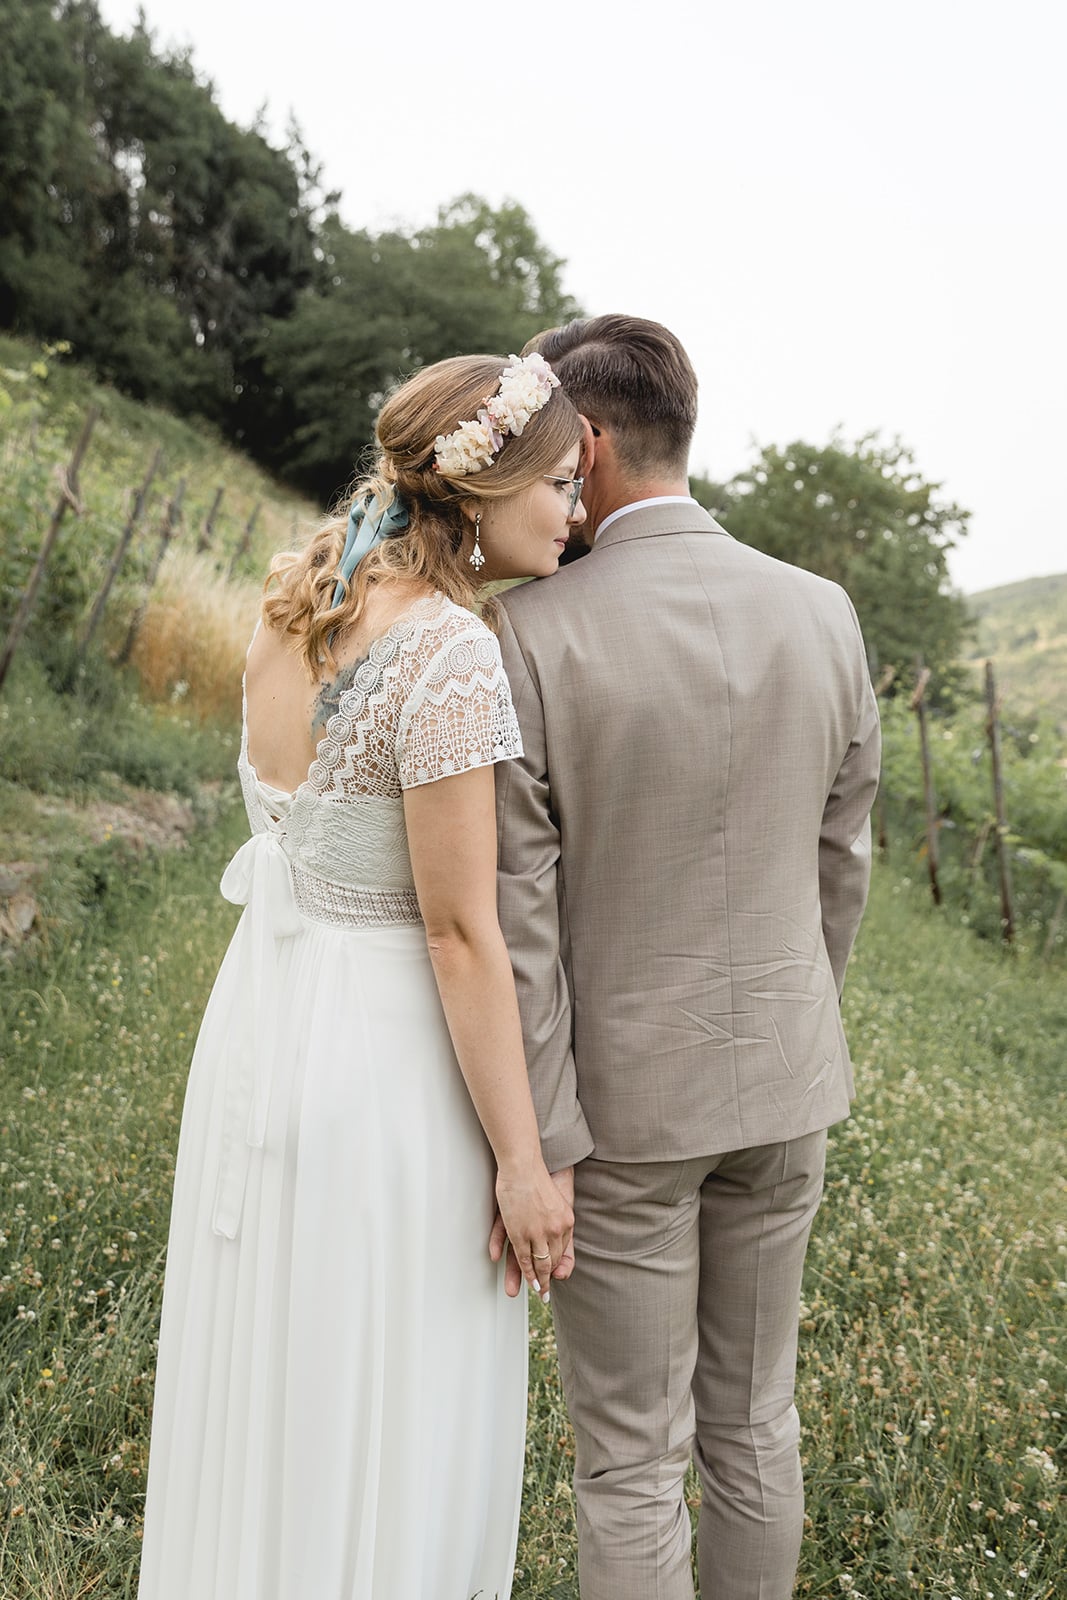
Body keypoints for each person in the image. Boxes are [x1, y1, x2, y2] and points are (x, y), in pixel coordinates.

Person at [136, 352, 588, 1600]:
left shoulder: (297, 603)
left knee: (272, 1366)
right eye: (556, 481)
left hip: (263, 1022)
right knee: (387, 1379)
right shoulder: (449, 651)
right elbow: (458, 933)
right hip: (379, 1073)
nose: (574, 511)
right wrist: (519, 1159)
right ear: (482, 483)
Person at [492, 315, 881, 1600]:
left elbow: (522, 924)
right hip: (785, 1087)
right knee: (753, 1420)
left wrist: (540, 1132)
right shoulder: (823, 614)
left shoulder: (531, 633)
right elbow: (843, 861)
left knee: (626, 1462)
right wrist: (788, 1022)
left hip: (622, 1115)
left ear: (586, 442)